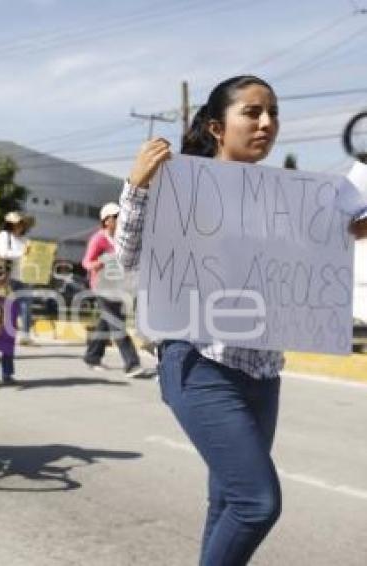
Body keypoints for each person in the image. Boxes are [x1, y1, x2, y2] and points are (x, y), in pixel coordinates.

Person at [115, 75, 367, 566]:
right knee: (257, 503)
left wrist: (348, 234)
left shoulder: (291, 202)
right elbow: (128, 260)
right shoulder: (180, 183)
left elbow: (306, 265)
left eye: (272, 113)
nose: (267, 123)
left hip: (262, 370)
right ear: (216, 126)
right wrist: (136, 188)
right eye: (252, 113)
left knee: (228, 501)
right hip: (198, 363)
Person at [81, 202, 144, 378]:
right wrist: (101, 262)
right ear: (106, 220)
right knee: (117, 323)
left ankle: (92, 356)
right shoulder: (99, 239)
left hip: (118, 286)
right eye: (116, 217)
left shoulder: (121, 238)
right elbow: (86, 262)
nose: (120, 219)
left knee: (106, 322)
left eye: (120, 216)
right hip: (102, 287)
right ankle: (132, 364)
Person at [0, 211, 35, 343]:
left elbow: (32, 256)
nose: (19, 225)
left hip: (24, 276)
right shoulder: (4, 235)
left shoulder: (25, 240)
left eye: (22, 223)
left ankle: (25, 335)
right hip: (7, 277)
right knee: (6, 307)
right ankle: (1, 333)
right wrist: (22, 253)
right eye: (17, 223)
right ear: (10, 224)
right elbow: (3, 253)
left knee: (26, 306)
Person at [0, 261, 19, 385]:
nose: (5, 277)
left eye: (6, 274)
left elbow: (14, 307)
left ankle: (7, 374)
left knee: (7, 350)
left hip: (6, 327)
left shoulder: (8, 290)